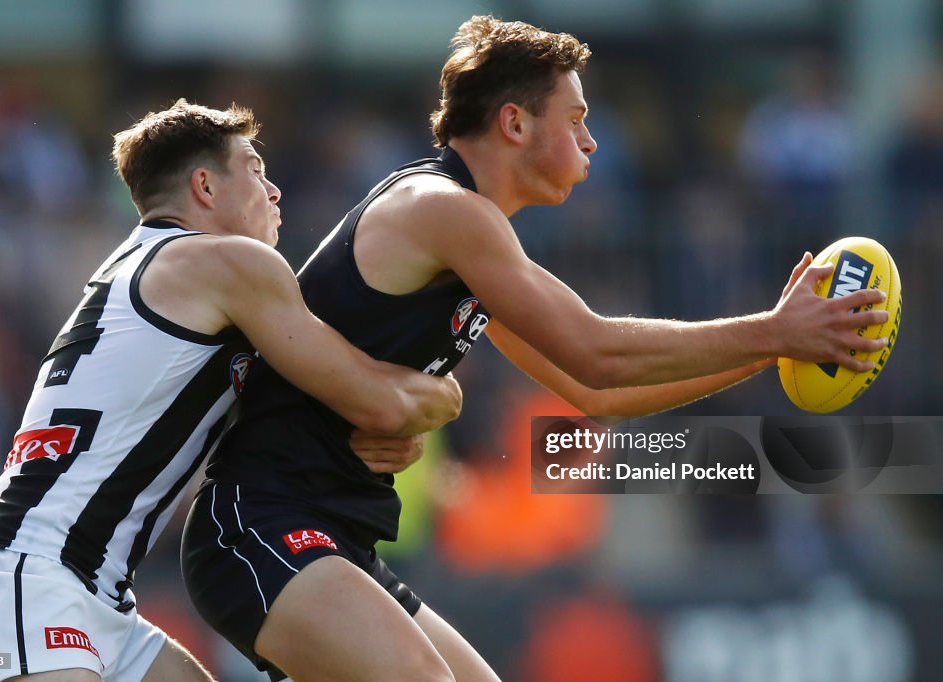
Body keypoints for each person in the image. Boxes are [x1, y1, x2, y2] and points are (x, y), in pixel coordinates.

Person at [181, 16, 889, 682]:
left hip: (330, 534)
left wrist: (770, 351)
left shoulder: (467, 231)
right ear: (514, 123)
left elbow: (598, 395)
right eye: (577, 119)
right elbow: (595, 351)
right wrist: (776, 328)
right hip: (260, 524)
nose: (592, 143)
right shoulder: (443, 210)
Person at [0, 99, 462, 682]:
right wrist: (443, 399)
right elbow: (376, 400)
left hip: (92, 594)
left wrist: (386, 430)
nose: (275, 192)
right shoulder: (226, 265)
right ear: (205, 186)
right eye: (256, 170)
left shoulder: (141, 266)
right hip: (32, 575)